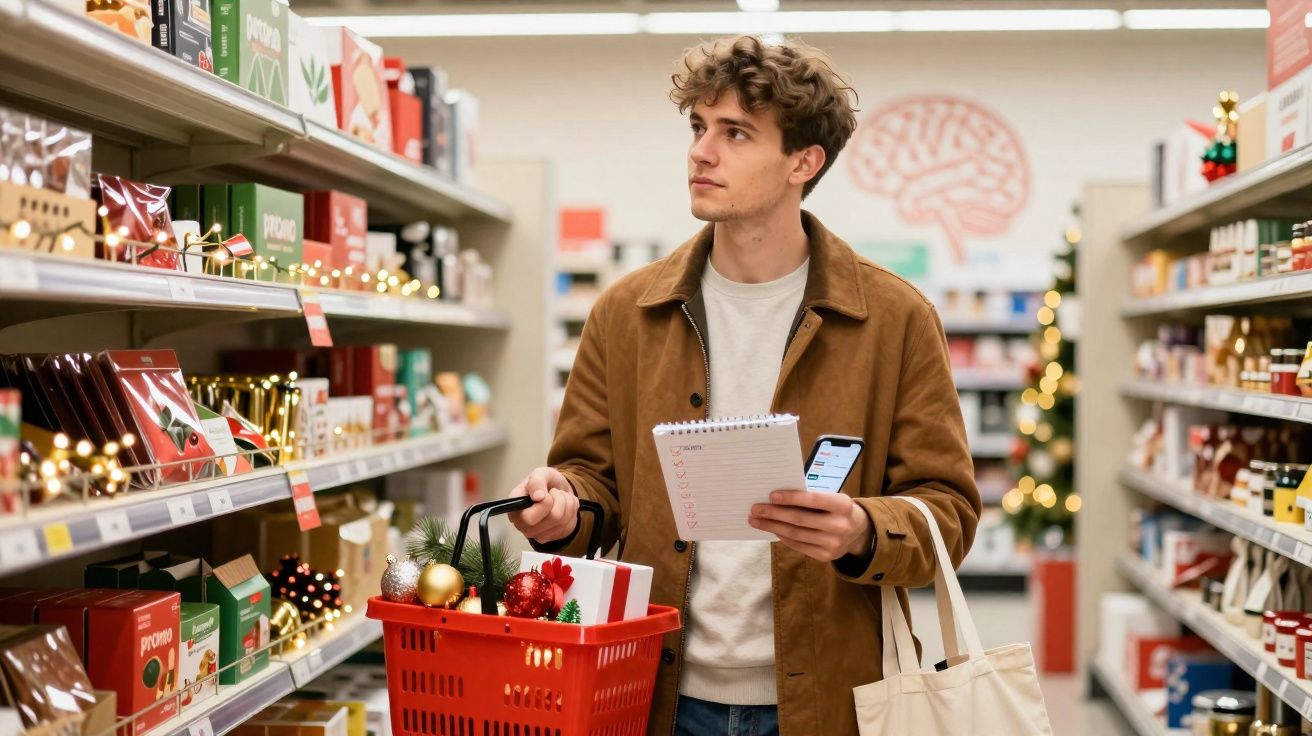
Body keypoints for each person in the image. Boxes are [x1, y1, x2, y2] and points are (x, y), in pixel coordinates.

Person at [508, 35, 980, 736]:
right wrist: (564, 512)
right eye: (698, 127)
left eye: (735, 133)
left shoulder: (893, 318)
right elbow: (593, 482)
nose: (701, 152)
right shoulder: (628, 313)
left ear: (803, 162)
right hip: (655, 691)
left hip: (829, 698)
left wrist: (862, 529)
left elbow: (949, 511)